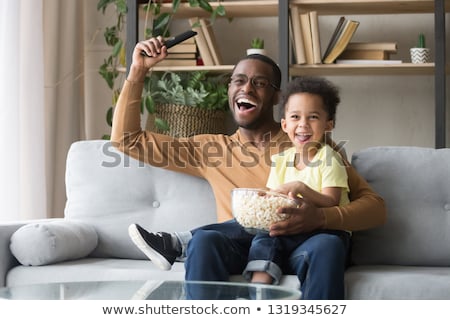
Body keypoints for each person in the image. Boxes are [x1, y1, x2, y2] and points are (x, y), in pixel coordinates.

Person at [111, 36, 386, 299]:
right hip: (243, 247)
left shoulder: (311, 145)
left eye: (259, 83)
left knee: (327, 245)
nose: (246, 89)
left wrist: (322, 219)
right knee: (204, 241)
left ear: (278, 97)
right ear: (229, 90)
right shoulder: (209, 149)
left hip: (305, 243)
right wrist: (137, 71)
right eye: (238, 81)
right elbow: (126, 140)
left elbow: (375, 208)